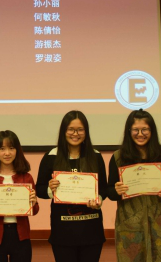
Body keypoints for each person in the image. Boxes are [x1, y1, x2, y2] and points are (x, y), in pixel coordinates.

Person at [106, 110, 161, 262]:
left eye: (145, 129)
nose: (140, 134)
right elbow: (110, 192)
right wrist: (116, 191)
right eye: (135, 130)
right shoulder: (118, 157)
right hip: (129, 225)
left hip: (158, 224)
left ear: (152, 131)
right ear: (129, 131)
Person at [36, 110, 107, 262]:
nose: (76, 134)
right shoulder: (51, 156)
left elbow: (103, 189)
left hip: (91, 228)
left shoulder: (95, 155)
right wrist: (50, 189)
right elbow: (39, 189)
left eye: (80, 129)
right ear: (64, 131)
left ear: (86, 132)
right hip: (63, 230)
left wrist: (99, 200)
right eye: (71, 129)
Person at [0, 130, 39, 262]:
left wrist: (33, 202)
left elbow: (35, 210)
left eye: (11, 148)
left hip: (21, 236)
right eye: (2, 149)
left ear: (17, 150)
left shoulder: (26, 177)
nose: (7, 153)